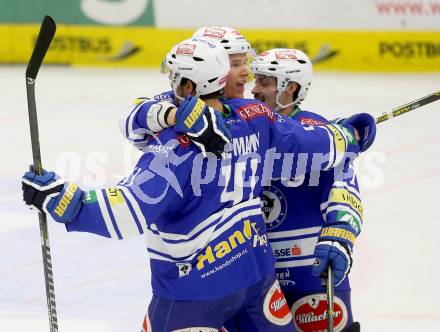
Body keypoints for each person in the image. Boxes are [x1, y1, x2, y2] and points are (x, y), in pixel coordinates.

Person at [22, 38, 373, 331]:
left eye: (174, 78)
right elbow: (312, 144)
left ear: (188, 86)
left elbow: (126, 211)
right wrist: (349, 134)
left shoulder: (173, 151)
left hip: (193, 293)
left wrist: (61, 198)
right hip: (256, 281)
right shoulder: (255, 118)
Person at [249, 48, 362, 331]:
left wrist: (341, 232)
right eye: (256, 80)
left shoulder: (320, 133)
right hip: (256, 273)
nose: (254, 89)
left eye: (264, 81)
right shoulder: (245, 128)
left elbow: (345, 188)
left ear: (291, 88)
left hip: (312, 271)